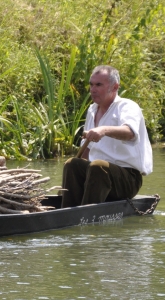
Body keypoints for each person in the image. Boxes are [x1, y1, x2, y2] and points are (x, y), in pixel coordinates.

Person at [61, 65, 153, 208]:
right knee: (72, 163)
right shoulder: (92, 110)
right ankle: (66, 211)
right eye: (91, 84)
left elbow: (130, 133)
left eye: (99, 85)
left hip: (127, 178)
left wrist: (103, 130)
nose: (93, 89)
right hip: (96, 176)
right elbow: (87, 150)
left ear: (115, 87)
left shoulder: (127, 106)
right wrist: (73, 180)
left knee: (98, 166)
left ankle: (86, 214)